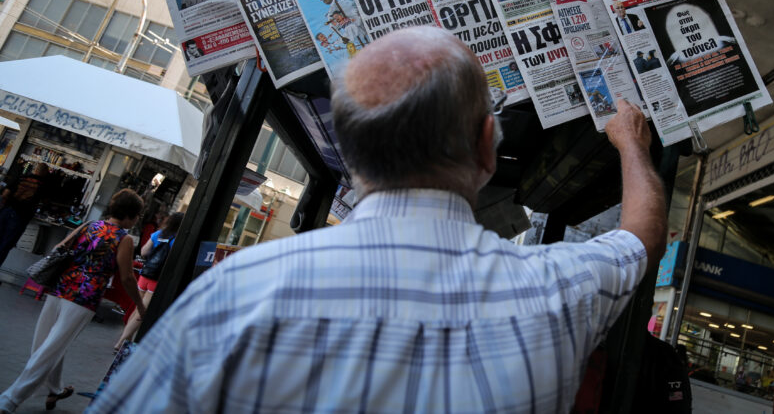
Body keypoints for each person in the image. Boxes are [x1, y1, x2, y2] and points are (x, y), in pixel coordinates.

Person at [91, 27, 666, 413]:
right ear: (488, 147)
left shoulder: (233, 297)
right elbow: (641, 236)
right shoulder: (561, 288)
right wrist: (630, 144)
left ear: (351, 153)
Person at [0, 189, 146, 413]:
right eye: (137, 216)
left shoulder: (89, 225)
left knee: (45, 345)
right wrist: (139, 303)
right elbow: (127, 277)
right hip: (84, 298)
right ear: (129, 215)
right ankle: (9, 401)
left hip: (60, 288)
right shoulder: (123, 239)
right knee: (50, 349)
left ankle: (55, 389)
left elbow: (60, 248)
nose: (136, 221)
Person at [114, 212, 184, 351]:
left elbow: (144, 252)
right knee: (142, 312)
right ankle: (120, 342)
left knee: (136, 309)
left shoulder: (159, 233)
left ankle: (126, 339)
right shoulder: (177, 239)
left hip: (145, 275)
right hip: (157, 279)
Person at [0, 163, 50, 269]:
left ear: (35, 170)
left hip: (6, 211)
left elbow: (5, 193)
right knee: (5, 246)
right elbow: (45, 202)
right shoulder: (43, 185)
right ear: (45, 173)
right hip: (20, 217)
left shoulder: (21, 177)